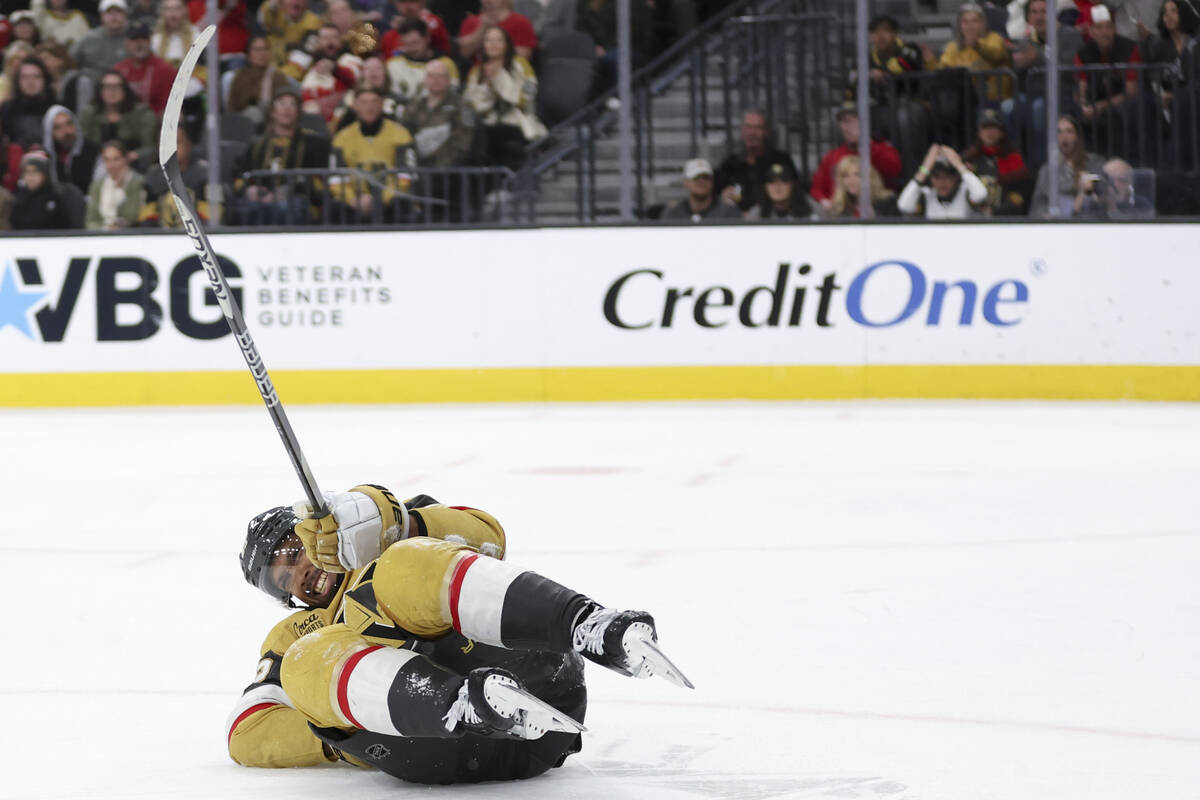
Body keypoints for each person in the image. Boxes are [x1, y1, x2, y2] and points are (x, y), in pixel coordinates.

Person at [227, 486, 691, 783]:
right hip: (424, 746)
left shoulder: (385, 536)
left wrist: (395, 520)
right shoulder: (295, 633)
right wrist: (345, 719)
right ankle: (462, 705)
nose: (298, 579)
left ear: (311, 532)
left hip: (542, 690)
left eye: (291, 555)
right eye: (280, 582)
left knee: (400, 567)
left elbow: (490, 537)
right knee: (311, 660)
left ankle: (591, 627)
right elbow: (247, 731)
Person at [233, 87, 332, 226]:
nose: (287, 109)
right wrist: (250, 190)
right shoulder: (256, 144)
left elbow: (320, 182)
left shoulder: (315, 143)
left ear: (298, 112)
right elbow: (240, 175)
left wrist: (291, 190)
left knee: (285, 208)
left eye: (292, 104)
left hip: (298, 200)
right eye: (281, 104)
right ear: (272, 112)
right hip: (260, 200)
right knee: (245, 209)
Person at [330, 85, 418, 223]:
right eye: (364, 102)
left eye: (374, 102)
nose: (369, 107)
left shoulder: (400, 134)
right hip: (356, 201)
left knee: (403, 205)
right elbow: (336, 179)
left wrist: (381, 200)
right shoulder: (342, 138)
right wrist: (353, 200)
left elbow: (406, 175)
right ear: (355, 105)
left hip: (391, 200)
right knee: (335, 209)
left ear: (382, 103)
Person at [463, 26, 545, 168]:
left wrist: (499, 77)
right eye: (489, 40)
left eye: (498, 40)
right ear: (483, 45)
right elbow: (470, 102)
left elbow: (529, 93)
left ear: (507, 44)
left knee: (497, 136)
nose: (493, 44)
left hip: (516, 121)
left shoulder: (520, 64)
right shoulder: (476, 71)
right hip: (485, 123)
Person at [1074, 4, 1142, 155]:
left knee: (1117, 113)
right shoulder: (1083, 53)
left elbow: (1131, 91)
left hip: (1127, 102)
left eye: (1108, 27)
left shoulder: (1130, 48)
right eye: (1099, 28)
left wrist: (1101, 106)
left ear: (1114, 28)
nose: (1105, 32)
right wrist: (1084, 106)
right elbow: (1081, 86)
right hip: (1097, 101)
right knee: (1075, 115)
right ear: (1091, 31)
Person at [809, 101, 902, 210]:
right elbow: (816, 189)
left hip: (876, 215)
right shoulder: (832, 157)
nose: (850, 126)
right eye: (845, 121)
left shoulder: (881, 149)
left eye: (855, 120)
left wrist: (866, 143)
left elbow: (894, 170)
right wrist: (826, 202)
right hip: (842, 216)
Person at [1144, 0, 1199, 167]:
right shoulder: (1160, 46)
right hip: (1170, 101)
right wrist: (1160, 95)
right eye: (1165, 13)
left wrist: (1176, 95)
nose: (1168, 16)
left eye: (1173, 11)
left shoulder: (1195, 43)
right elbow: (1154, 77)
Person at [713, 109, 798, 214]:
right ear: (743, 130)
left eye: (758, 128)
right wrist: (723, 197)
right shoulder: (730, 164)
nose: (752, 133)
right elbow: (714, 197)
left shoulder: (781, 160)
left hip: (772, 221)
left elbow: (798, 193)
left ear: (766, 132)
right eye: (749, 127)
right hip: (738, 223)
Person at [400, 58, 474, 167]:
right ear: (425, 80)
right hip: (417, 168)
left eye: (440, 76)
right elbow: (404, 135)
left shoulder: (463, 106)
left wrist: (437, 167)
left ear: (448, 80)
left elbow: (463, 142)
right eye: (431, 76)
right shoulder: (414, 106)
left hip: (449, 170)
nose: (435, 80)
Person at [1030, 114, 1106, 216]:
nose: (1064, 136)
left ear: (1078, 137)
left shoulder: (1094, 162)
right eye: (1059, 132)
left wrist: (1088, 180)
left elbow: (1101, 180)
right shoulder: (1047, 170)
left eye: (1069, 131)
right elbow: (1037, 205)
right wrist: (1045, 215)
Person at [79, 70, 157, 166]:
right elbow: (82, 146)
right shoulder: (89, 114)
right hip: (96, 164)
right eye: (107, 87)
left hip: (134, 164)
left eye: (117, 86)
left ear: (125, 89)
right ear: (100, 90)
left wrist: (133, 155)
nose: (112, 91)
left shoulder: (142, 113)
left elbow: (150, 146)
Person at [961, 108, 1031, 214]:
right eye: (985, 128)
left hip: (1005, 219)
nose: (989, 132)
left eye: (993, 128)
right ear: (979, 132)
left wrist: (997, 212)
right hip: (972, 218)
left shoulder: (1013, 158)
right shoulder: (969, 157)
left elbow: (1021, 194)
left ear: (1001, 132)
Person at [139, 124, 210, 226]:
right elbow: (146, 218)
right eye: (165, 144)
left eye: (176, 143)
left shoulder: (204, 174)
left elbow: (212, 216)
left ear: (189, 145)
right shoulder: (152, 177)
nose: (170, 148)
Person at [386, 18, 459, 114]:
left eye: (415, 43)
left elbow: (452, 98)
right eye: (406, 44)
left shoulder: (445, 64)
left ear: (427, 38)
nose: (411, 49)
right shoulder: (392, 65)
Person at [897, 143, 989, 219]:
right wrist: (924, 169)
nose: (942, 182)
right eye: (937, 177)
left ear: (956, 177)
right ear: (930, 178)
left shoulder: (965, 191)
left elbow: (980, 195)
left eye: (947, 177)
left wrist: (959, 165)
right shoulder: (926, 195)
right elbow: (904, 206)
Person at [113, 22, 176, 115]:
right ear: (126, 43)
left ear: (150, 41)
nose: (139, 44)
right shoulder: (118, 70)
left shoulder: (165, 70)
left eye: (143, 39)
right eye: (134, 40)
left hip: (155, 123)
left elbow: (169, 108)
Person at [85, 139, 146, 229]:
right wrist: (105, 229)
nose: (111, 165)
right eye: (107, 160)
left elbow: (133, 216)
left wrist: (119, 188)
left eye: (116, 159)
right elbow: (90, 221)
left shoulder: (137, 182)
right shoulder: (97, 186)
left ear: (125, 159)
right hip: (101, 235)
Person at [227, 36, 292, 121]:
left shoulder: (278, 77)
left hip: (271, 123)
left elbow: (286, 105)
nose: (261, 53)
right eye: (257, 50)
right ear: (248, 54)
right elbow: (232, 107)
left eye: (265, 49)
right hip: (242, 124)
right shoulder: (239, 77)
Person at [660, 157, 742, 221]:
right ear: (686, 182)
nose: (701, 181)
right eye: (696, 177)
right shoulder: (673, 213)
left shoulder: (728, 211)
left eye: (706, 177)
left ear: (712, 181)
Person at [42, 103, 100, 193]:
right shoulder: (45, 157)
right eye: (58, 127)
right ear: (50, 133)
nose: (66, 131)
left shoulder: (93, 151)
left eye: (69, 124)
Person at [0, 56, 56, 148]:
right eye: (25, 77)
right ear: (18, 81)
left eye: (36, 77)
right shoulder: (7, 109)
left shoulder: (55, 109)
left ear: (45, 80)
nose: (31, 81)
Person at [820, 155, 897, 219]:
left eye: (857, 175)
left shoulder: (888, 202)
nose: (851, 180)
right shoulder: (839, 209)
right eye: (845, 176)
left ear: (869, 177)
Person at [458, 0, 537, 62]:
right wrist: (483, 28)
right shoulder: (470, 22)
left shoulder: (521, 22)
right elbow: (463, 52)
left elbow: (524, 56)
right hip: (479, 76)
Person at [10, 149, 72, 229]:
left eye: (35, 171)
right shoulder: (18, 198)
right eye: (27, 172)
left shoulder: (55, 197)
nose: (31, 177)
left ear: (45, 174)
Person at [71, 0, 130, 82]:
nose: (114, 16)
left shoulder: (133, 38)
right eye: (109, 12)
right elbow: (70, 60)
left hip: (124, 86)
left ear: (125, 15)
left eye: (118, 12)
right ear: (101, 15)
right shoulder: (89, 38)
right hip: (93, 86)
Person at [259, 0, 324, 66]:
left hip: (294, 69)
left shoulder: (314, 23)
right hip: (267, 65)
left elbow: (306, 53)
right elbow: (262, 18)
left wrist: (284, 74)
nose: (295, 2)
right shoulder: (275, 14)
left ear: (307, 3)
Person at [744, 158, 812, 220]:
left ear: (792, 185)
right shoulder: (757, 213)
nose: (777, 186)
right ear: (765, 187)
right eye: (771, 181)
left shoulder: (810, 208)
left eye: (784, 180)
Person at [379, 0, 452, 56]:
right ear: (396, 4)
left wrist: (422, 23)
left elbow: (445, 53)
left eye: (413, 1)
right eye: (402, 1)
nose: (408, 6)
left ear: (422, 2)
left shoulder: (434, 23)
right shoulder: (389, 36)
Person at [150, 0, 197, 66]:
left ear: (184, 11)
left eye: (177, 8)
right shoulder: (156, 39)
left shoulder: (195, 35)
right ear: (163, 12)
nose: (173, 13)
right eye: (168, 9)